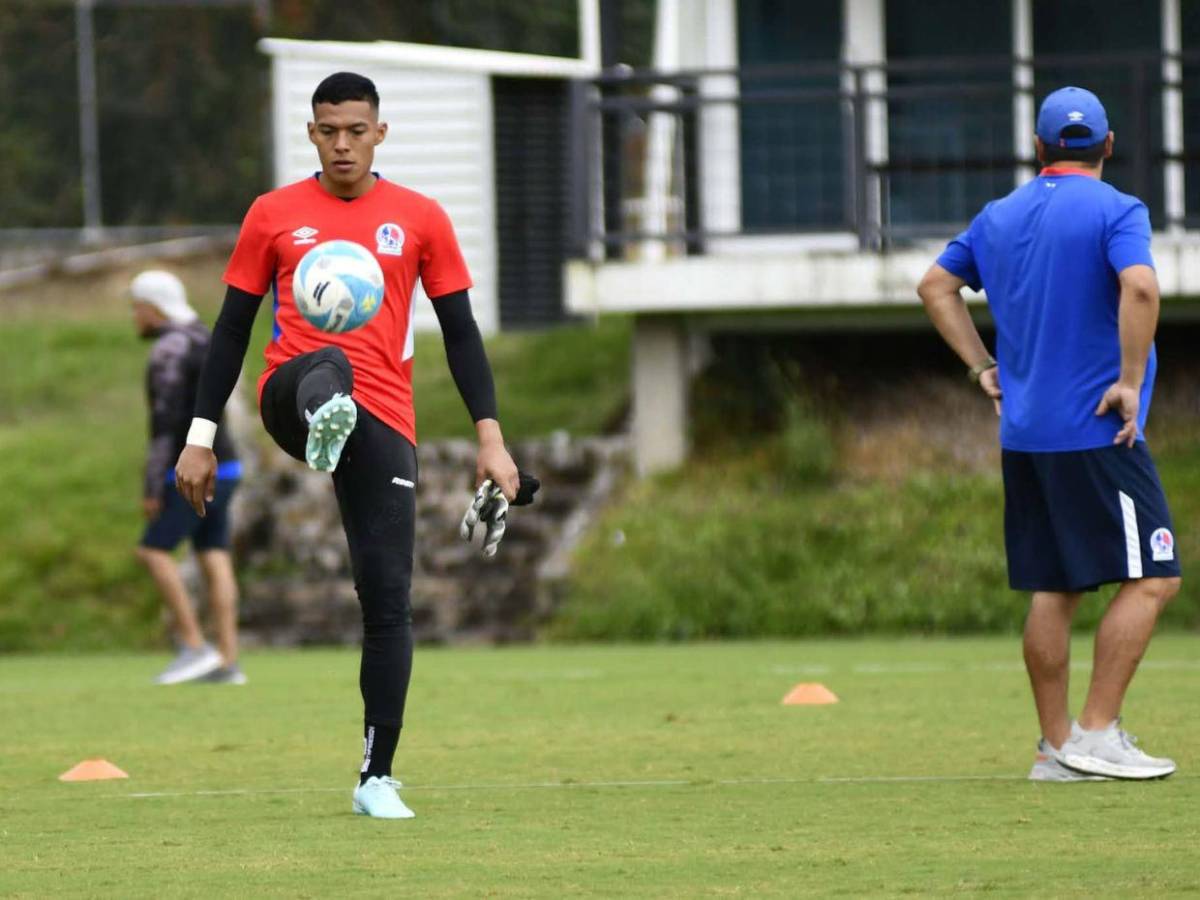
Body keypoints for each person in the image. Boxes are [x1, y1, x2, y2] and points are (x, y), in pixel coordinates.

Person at [174, 72, 535, 819]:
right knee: (327, 365)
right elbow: (232, 330)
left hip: (383, 422)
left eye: (356, 130)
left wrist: (491, 441)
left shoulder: (421, 219)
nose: (343, 143)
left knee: (388, 599)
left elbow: (461, 335)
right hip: (290, 396)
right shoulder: (273, 215)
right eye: (329, 129)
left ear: (380, 132)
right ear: (312, 133)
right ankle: (326, 412)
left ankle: (376, 776)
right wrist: (199, 437)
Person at [918, 87, 1181, 782]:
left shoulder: (998, 215)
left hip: (1026, 435)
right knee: (1155, 577)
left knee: (1054, 587)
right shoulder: (1118, 209)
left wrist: (981, 367)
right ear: (1109, 145)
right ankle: (1095, 733)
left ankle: (1054, 749)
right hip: (1098, 433)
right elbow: (1142, 288)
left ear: (1039, 149)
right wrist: (1129, 379)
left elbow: (935, 287)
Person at [131, 270, 245, 686]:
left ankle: (195, 647)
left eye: (136, 307)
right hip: (229, 464)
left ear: (153, 307)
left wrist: (151, 487)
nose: (134, 316)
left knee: (153, 550)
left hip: (192, 466)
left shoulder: (170, 349)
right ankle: (228, 661)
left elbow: (164, 425)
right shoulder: (203, 337)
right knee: (213, 553)